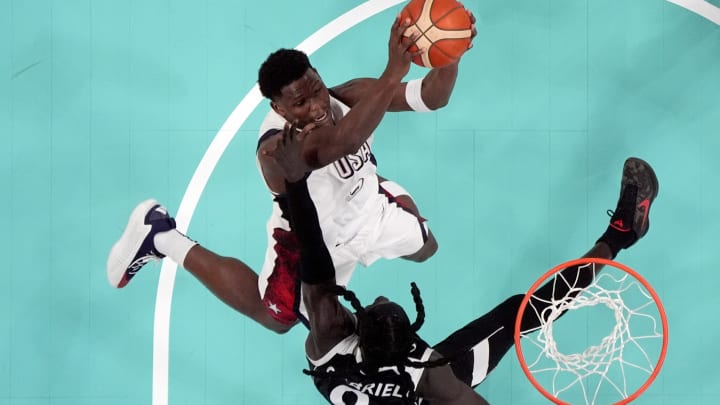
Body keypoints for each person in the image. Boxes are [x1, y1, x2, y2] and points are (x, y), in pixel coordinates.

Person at [106, 14, 477, 333]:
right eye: (300, 103)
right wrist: (393, 71)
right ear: (279, 108)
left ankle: (375, 187)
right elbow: (345, 141)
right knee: (278, 319)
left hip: (366, 210)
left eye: (316, 88)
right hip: (311, 240)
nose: (316, 105)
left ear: (318, 74)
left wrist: (451, 53)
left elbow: (433, 97)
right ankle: (161, 236)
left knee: (426, 248)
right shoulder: (276, 148)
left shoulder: (348, 96)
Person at [264, 125, 659, 403]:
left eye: (373, 306)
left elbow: (315, 257)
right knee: (521, 311)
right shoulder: (428, 373)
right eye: (385, 304)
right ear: (414, 348)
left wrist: (294, 184)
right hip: (428, 396)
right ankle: (622, 234)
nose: (378, 297)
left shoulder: (327, 337)